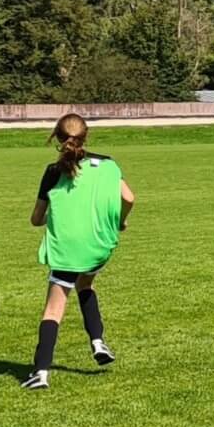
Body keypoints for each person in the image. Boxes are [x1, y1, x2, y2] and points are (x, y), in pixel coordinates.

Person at [22, 114, 135, 392]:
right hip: (98, 245)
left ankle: (41, 372)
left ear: (58, 138)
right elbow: (129, 198)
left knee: (54, 307)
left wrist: (53, 218)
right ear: (87, 135)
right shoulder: (109, 165)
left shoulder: (53, 171)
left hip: (67, 248)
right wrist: (119, 221)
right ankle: (98, 342)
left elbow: (36, 219)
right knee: (86, 284)